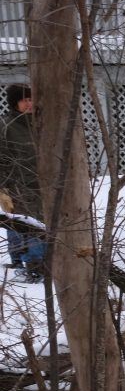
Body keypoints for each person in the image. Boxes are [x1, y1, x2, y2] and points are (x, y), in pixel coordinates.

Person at [0, 83, 44, 283]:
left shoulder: (40, 123)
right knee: (26, 224)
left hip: (43, 183)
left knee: (36, 223)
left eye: (31, 99)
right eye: (24, 100)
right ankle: (33, 266)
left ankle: (26, 260)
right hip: (17, 184)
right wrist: (4, 187)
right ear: (14, 103)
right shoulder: (6, 126)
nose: (29, 103)